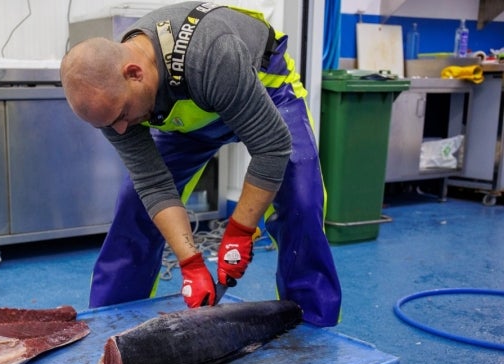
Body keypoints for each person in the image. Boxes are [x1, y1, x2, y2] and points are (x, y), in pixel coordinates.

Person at [60, 1, 341, 327]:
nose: (121, 129)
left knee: (301, 203)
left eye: (122, 115)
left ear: (134, 74)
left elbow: (272, 146)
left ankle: (313, 331)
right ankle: (110, 329)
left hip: (262, 89)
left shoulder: (211, 54)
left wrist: (239, 231)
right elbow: (153, 184)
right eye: (110, 124)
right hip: (188, 118)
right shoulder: (112, 106)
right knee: (134, 207)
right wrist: (191, 262)